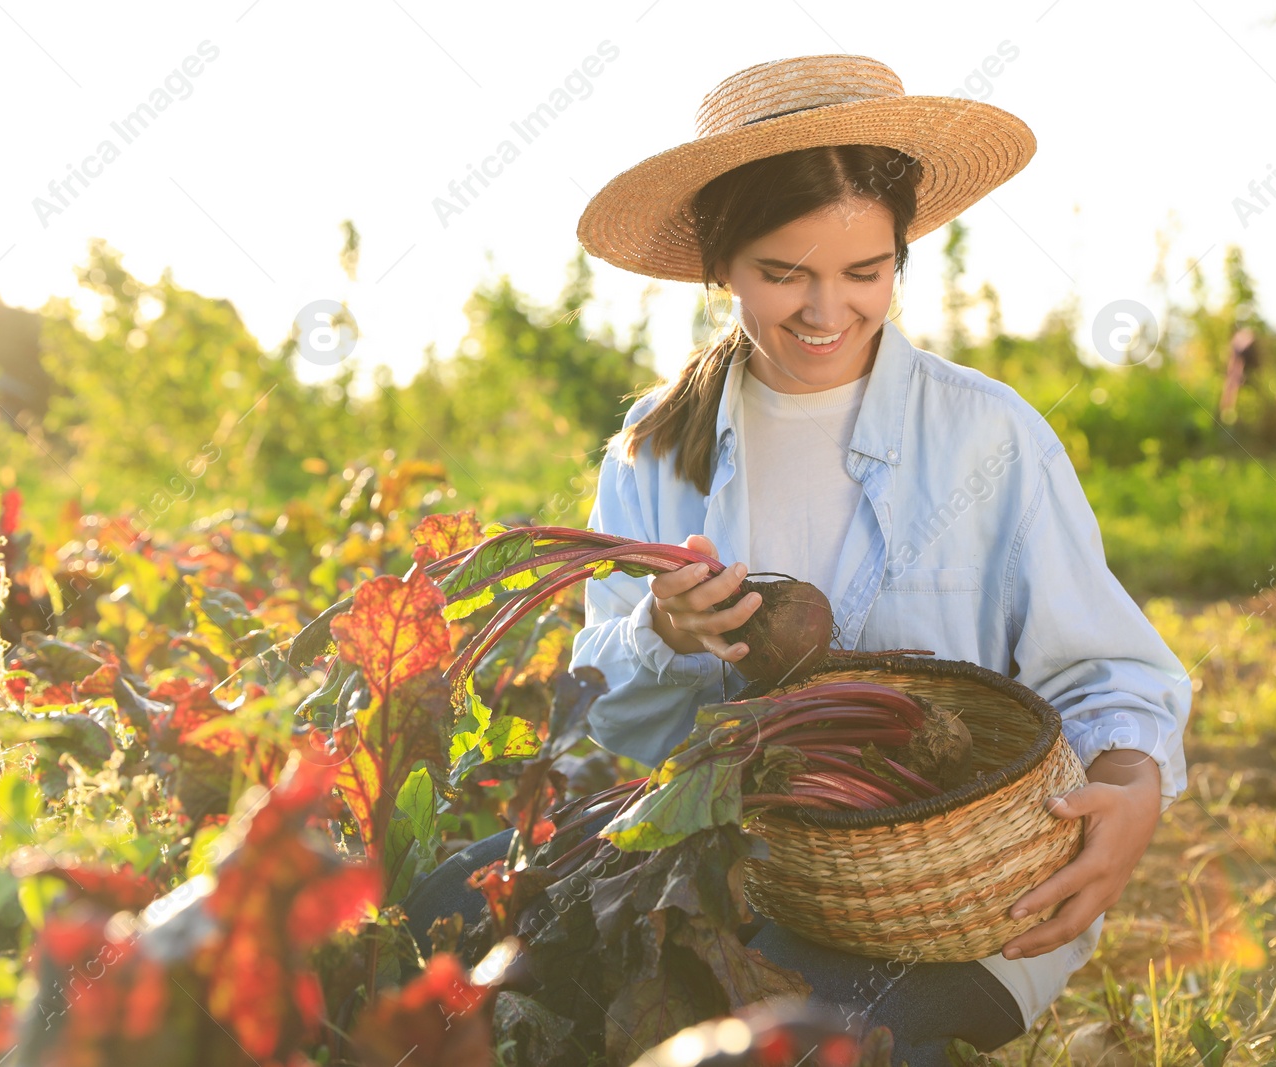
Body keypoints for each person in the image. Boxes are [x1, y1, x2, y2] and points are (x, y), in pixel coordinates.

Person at [405, 55, 1191, 1065]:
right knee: (440, 914)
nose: (827, 311)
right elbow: (614, 722)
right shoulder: (655, 445)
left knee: (794, 1036)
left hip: (951, 899)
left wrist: (1130, 788)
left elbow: (1107, 669)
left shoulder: (987, 437)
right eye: (784, 273)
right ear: (718, 264)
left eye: (865, 272)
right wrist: (660, 634)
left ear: (900, 256)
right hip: (734, 871)